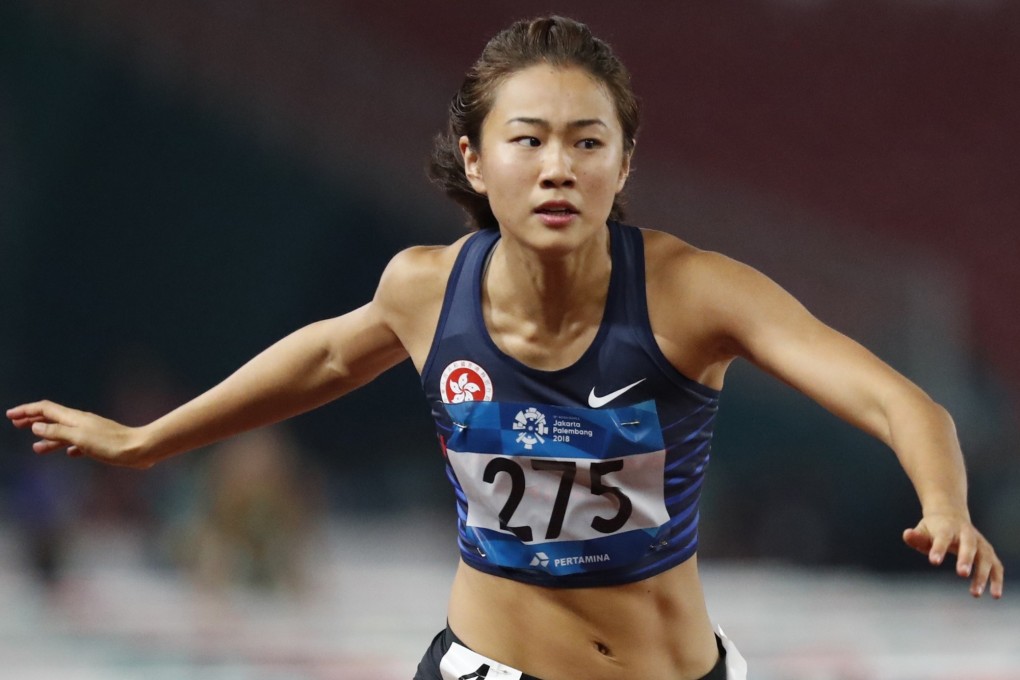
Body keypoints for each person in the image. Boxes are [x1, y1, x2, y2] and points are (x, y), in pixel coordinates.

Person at [6, 15, 1004, 680]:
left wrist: (945, 502)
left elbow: (898, 401)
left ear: (625, 162)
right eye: (529, 139)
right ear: (477, 161)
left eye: (587, 140)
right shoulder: (426, 288)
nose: (558, 166)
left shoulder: (696, 292)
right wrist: (146, 442)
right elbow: (318, 358)